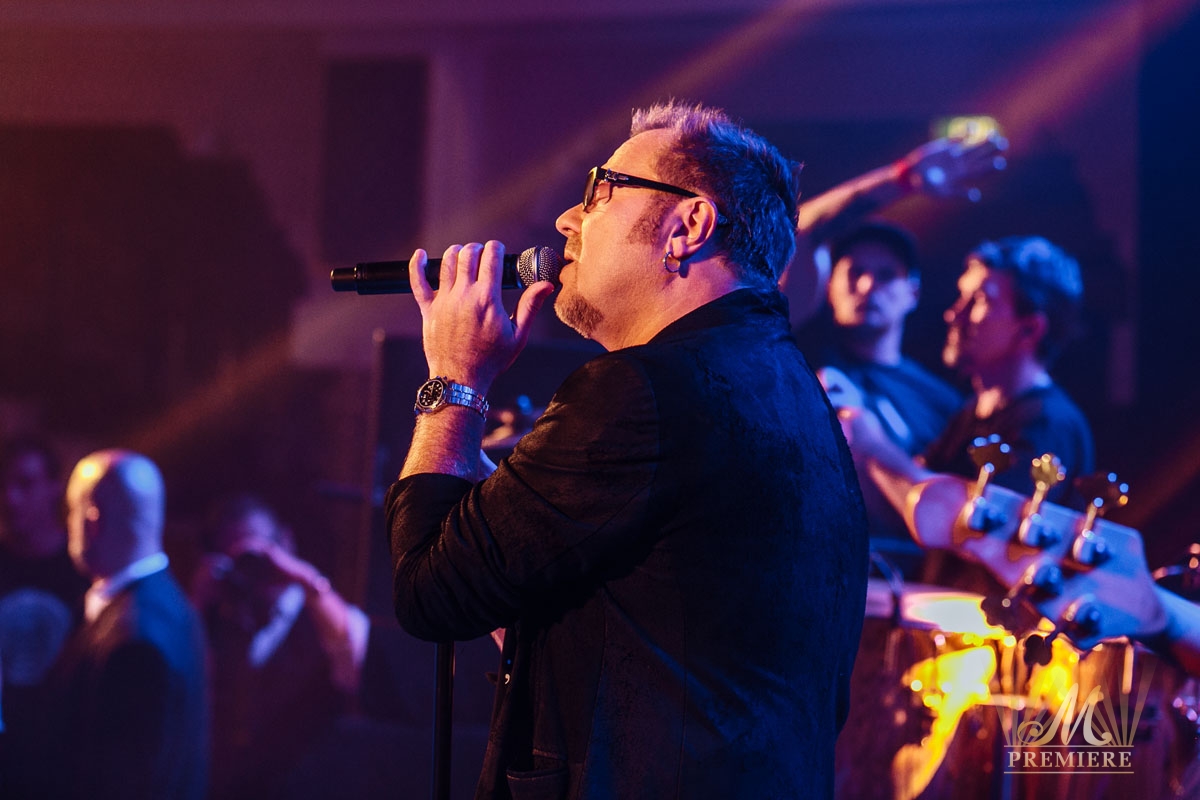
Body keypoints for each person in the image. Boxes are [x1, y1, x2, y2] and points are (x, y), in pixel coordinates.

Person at [386, 100, 869, 799]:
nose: (567, 220)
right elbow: (628, 611)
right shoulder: (788, 385)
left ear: (687, 226)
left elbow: (429, 591)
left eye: (601, 191)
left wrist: (455, 380)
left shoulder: (641, 391)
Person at [841, 235, 1095, 590]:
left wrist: (872, 444)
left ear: (1029, 328)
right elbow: (906, 510)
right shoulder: (974, 411)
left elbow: (974, 537)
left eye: (978, 301)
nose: (954, 314)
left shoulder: (1048, 426)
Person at [24, 448, 209, 799]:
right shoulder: (176, 607)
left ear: (92, 521)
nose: (67, 524)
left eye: (71, 510)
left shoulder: (134, 641)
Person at [192, 492, 370, 799]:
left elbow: (355, 653)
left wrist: (303, 576)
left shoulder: (322, 618)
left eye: (258, 552)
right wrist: (198, 601)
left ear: (285, 542)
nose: (252, 567)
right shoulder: (222, 622)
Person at [0, 436, 89, 748]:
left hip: (62, 751)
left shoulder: (83, 569)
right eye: (3, 484)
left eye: (25, 484)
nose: (10, 498)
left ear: (54, 488)